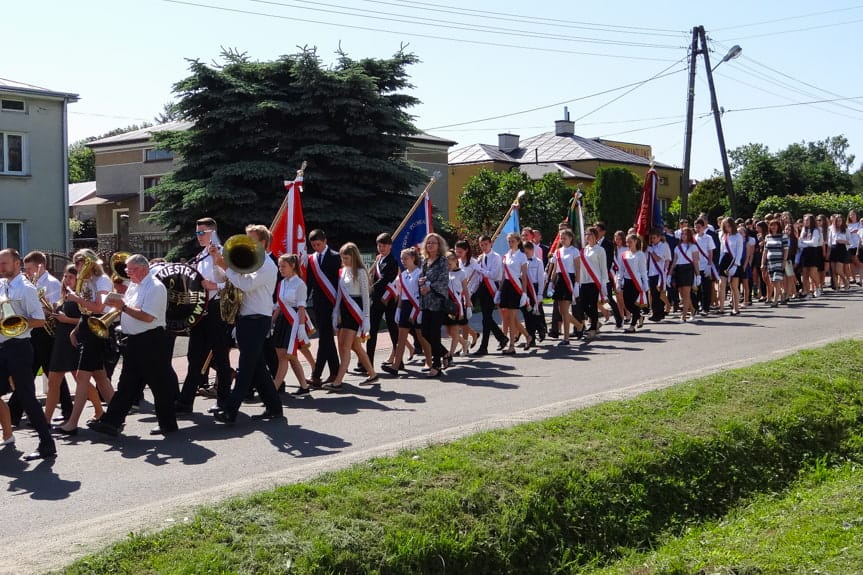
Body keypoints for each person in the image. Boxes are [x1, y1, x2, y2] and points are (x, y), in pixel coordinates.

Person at [87, 254, 177, 437]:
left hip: (151, 340)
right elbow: (126, 307)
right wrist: (115, 305)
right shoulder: (135, 285)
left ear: (143, 269)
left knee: (158, 384)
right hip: (135, 340)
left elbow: (148, 317)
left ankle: (168, 424)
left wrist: (123, 307)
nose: (127, 272)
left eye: (131, 269)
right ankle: (111, 422)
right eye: (127, 269)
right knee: (127, 383)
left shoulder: (155, 287)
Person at [210, 225, 284, 424]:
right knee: (257, 367)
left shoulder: (267, 265)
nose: (246, 243)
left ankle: (230, 410)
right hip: (246, 319)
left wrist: (226, 267)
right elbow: (226, 279)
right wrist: (217, 261)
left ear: (262, 243)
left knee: (245, 367)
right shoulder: (250, 262)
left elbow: (246, 285)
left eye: (251, 239)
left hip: (258, 320)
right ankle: (275, 407)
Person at [0, 248, 56, 461]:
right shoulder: (2, 285)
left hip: (19, 348)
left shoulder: (26, 289)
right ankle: (8, 435)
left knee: (27, 398)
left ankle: (47, 444)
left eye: (4, 263)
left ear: (17, 264)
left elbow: (40, 320)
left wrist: (17, 323)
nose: (1, 267)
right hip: (3, 347)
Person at [176, 217, 234, 414]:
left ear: (212, 232)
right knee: (194, 357)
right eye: (197, 233)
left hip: (216, 309)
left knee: (220, 356)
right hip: (201, 311)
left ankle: (224, 401)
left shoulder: (222, 252)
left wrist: (215, 285)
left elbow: (235, 282)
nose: (199, 236)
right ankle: (185, 402)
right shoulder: (201, 255)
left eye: (202, 233)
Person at [54, 250, 115, 435]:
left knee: (82, 377)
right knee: (100, 377)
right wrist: (77, 329)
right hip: (89, 327)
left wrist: (76, 298)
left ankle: (72, 423)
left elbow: (98, 307)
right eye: (77, 262)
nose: (79, 266)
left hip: (98, 329)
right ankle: (116, 415)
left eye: (81, 262)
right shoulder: (87, 281)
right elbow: (85, 311)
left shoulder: (102, 280)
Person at [13, 251, 73, 423]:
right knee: (32, 372)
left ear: (41, 266)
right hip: (35, 332)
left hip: (46, 334)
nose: (27, 272)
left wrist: (39, 307)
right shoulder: (30, 283)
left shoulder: (52, 283)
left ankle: (14, 413)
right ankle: (14, 413)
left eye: (30, 268)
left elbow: (55, 309)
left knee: (50, 374)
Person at [43, 265, 103, 425]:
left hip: (73, 340)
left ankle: (99, 411)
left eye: (70, 277)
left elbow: (86, 320)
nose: (66, 279)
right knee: (53, 381)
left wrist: (66, 319)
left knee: (79, 379)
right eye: (65, 276)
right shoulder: (66, 295)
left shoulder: (81, 296)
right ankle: (45, 421)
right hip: (61, 341)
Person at [323, 243, 378, 390]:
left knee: (345, 346)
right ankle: (372, 374)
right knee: (353, 346)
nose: (344, 260)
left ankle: (338, 381)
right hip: (344, 310)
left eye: (346, 257)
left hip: (355, 310)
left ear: (353, 256)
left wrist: (366, 318)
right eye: (342, 257)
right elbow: (340, 294)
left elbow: (366, 297)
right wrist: (336, 312)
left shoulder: (360, 272)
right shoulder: (343, 271)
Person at [272, 254, 312, 396]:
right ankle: (304, 386)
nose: (280, 269)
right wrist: (271, 322)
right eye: (279, 266)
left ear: (292, 266)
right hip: (282, 320)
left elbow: (301, 308)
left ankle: (273, 389)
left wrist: (301, 327)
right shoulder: (282, 283)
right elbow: (278, 305)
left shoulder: (300, 284)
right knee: (289, 356)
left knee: (285, 356)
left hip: (293, 322)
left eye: (283, 266)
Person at [306, 229, 340, 386]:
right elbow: (310, 282)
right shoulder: (312, 259)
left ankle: (317, 375)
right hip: (319, 304)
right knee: (326, 339)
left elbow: (339, 283)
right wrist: (303, 301)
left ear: (325, 241)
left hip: (333, 303)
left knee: (325, 339)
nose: (316, 248)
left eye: (318, 244)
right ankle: (334, 372)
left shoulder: (335, 257)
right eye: (313, 245)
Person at [381, 248, 423, 375]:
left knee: (422, 337)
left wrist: (420, 310)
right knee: (401, 337)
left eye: (406, 258)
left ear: (413, 258)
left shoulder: (420, 273)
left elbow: (421, 294)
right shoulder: (403, 275)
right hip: (405, 306)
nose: (403, 261)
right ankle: (396, 365)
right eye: (402, 258)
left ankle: (435, 359)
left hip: (417, 307)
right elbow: (401, 294)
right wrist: (398, 310)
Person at [363, 233, 399, 371]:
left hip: (388, 299)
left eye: (384, 245)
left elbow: (384, 280)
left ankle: (398, 359)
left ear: (390, 246)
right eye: (379, 245)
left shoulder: (392, 261)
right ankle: (368, 363)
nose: (381, 247)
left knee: (392, 329)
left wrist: (369, 288)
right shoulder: (378, 259)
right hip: (376, 300)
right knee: (371, 331)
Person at [418, 233, 451, 377]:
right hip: (426, 301)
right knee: (425, 332)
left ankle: (436, 365)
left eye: (433, 243)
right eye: (428, 243)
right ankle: (445, 353)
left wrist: (429, 286)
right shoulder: (425, 261)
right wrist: (421, 282)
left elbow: (444, 280)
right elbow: (422, 277)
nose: (430, 245)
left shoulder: (442, 261)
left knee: (435, 332)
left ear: (439, 245)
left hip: (437, 301)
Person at [473, 234, 507, 356]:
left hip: (492, 287)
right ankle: (501, 338)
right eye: (481, 245)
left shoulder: (496, 257)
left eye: (485, 244)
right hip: (482, 288)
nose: (483, 247)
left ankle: (484, 346)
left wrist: (479, 268)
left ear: (490, 244)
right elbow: (478, 276)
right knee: (486, 318)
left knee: (486, 318)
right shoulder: (481, 258)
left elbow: (493, 274)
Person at [548, 229, 582, 346]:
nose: (562, 240)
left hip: (570, 280)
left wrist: (577, 283)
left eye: (564, 238)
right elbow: (555, 269)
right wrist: (551, 283)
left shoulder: (575, 251)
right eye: (561, 238)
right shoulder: (558, 251)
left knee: (565, 310)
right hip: (559, 280)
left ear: (570, 238)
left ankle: (566, 338)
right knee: (560, 310)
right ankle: (579, 325)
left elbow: (578, 268)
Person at [574, 227, 609, 340]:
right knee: (582, 305)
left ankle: (593, 328)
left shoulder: (600, 250)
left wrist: (604, 283)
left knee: (593, 305)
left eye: (588, 234)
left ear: (594, 235)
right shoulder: (583, 250)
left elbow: (603, 268)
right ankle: (595, 322)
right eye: (585, 234)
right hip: (584, 281)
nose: (586, 236)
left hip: (595, 281)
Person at [499, 233, 530, 355]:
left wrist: (524, 293)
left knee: (512, 318)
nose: (510, 243)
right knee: (509, 317)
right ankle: (528, 336)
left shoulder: (522, 256)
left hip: (515, 287)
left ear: (518, 242)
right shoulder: (506, 256)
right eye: (509, 241)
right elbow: (503, 275)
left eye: (513, 241)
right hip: (506, 286)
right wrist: (499, 290)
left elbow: (524, 276)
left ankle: (512, 345)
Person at [619, 234, 649, 333]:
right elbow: (622, 270)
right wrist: (619, 281)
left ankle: (632, 326)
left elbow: (643, 271)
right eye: (627, 242)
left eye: (630, 241)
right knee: (627, 304)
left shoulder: (640, 254)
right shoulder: (624, 254)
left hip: (636, 282)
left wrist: (646, 285)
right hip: (627, 281)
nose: (628, 244)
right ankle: (639, 317)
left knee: (634, 304)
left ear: (636, 241)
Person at [595, 222, 623, 328]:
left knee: (609, 298)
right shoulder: (592, 244)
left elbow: (609, 260)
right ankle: (595, 322)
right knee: (593, 299)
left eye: (598, 230)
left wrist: (602, 273)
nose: (596, 232)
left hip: (604, 275)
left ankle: (619, 319)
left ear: (603, 232)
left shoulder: (608, 244)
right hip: (593, 276)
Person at [454, 240, 480, 352]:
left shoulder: (474, 263)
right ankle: (473, 334)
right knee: (458, 321)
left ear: (466, 250)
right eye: (456, 251)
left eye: (460, 252)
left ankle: (464, 345)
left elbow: (477, 279)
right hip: (458, 295)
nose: (458, 254)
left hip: (469, 294)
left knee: (463, 321)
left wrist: (470, 293)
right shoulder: (457, 262)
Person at [670, 227, 700, 323]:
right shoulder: (677, 247)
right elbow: (674, 261)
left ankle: (683, 316)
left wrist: (698, 275)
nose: (683, 236)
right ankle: (693, 310)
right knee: (682, 294)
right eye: (682, 234)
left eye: (685, 234)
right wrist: (669, 274)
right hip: (679, 269)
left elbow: (695, 262)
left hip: (688, 269)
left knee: (686, 294)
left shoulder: (693, 247)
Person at [444, 251, 469, 358]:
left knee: (454, 330)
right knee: (449, 331)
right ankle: (464, 343)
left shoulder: (461, 273)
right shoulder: (444, 273)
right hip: (446, 305)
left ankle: (450, 355)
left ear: (455, 260)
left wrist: (468, 302)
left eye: (450, 261)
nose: (448, 264)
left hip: (456, 305)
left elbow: (465, 289)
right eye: (446, 262)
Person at [718, 218, 745, 315]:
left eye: (728, 226)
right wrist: (719, 262)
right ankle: (721, 308)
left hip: (734, 261)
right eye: (724, 226)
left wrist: (736, 265)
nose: (727, 228)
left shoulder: (738, 236)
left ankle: (736, 308)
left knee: (734, 286)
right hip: (724, 260)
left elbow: (739, 251)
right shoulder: (723, 236)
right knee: (721, 285)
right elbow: (722, 250)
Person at [762, 219, 789, 307]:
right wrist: (763, 263)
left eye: (775, 225)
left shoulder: (783, 236)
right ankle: (782, 297)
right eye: (771, 225)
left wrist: (784, 261)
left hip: (779, 261)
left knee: (776, 280)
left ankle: (775, 301)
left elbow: (786, 249)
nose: (773, 227)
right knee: (772, 282)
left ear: (778, 226)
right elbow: (765, 251)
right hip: (770, 262)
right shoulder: (767, 237)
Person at [694, 218, 718, 317]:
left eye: (699, 227)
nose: (697, 229)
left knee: (706, 287)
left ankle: (706, 307)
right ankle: (699, 305)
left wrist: (709, 264)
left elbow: (710, 252)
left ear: (703, 227)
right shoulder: (694, 238)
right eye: (695, 227)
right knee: (697, 287)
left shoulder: (708, 238)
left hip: (705, 265)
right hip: (697, 266)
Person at [523, 241, 546, 343]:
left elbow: (541, 278)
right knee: (527, 314)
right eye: (524, 253)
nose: (526, 255)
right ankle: (531, 337)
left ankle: (540, 329)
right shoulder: (522, 262)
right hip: (525, 288)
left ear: (532, 250)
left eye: (527, 253)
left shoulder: (538, 262)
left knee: (534, 313)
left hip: (535, 288)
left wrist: (540, 293)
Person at [646, 229, 671, 322]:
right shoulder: (651, 246)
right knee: (654, 294)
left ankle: (658, 314)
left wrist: (651, 251)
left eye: (654, 238)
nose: (652, 240)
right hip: (651, 273)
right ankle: (658, 313)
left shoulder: (663, 246)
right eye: (651, 238)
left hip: (659, 273)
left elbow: (657, 259)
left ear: (659, 237)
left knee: (657, 294)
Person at [798, 214, 823, 298]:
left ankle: (818, 288)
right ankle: (807, 292)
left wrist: (804, 242)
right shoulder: (803, 229)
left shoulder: (816, 230)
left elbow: (814, 243)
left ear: (812, 221)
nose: (806, 222)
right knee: (805, 274)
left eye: (807, 220)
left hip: (813, 252)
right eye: (805, 220)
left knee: (813, 272)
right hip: (805, 252)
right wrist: (805, 243)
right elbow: (799, 243)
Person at [828, 214, 851, 291]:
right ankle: (837, 287)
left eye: (840, 220)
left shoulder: (845, 229)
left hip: (842, 249)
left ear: (842, 221)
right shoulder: (831, 228)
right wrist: (828, 252)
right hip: (833, 249)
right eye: (837, 220)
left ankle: (846, 282)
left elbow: (850, 241)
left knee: (839, 270)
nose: (839, 222)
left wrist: (843, 241)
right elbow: (829, 241)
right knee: (833, 270)